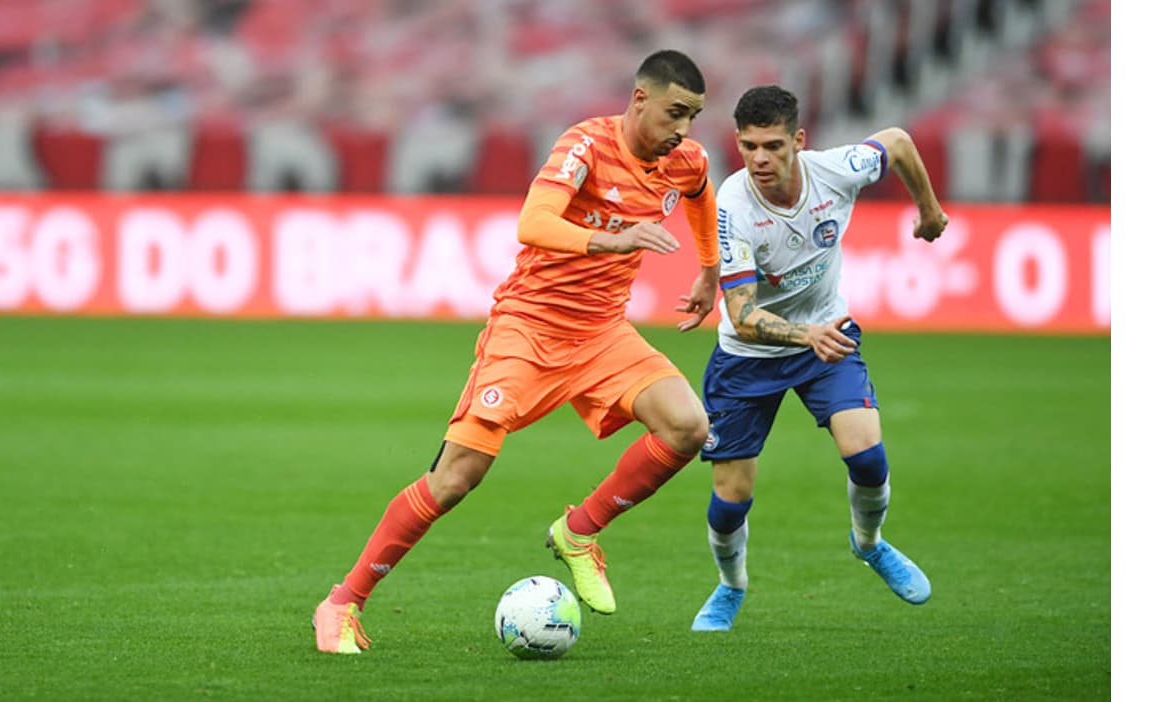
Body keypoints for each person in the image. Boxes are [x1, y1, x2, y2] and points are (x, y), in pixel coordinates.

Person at [313, 50, 724, 654]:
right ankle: (341, 602)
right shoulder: (585, 144)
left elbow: (700, 194)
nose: (683, 129)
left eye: (692, 116)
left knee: (689, 427)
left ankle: (579, 532)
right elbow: (533, 222)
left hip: (603, 334)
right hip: (527, 330)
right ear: (639, 100)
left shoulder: (685, 159)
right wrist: (614, 240)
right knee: (457, 479)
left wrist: (710, 272)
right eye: (674, 113)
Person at [690, 85, 949, 633]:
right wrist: (805, 335)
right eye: (749, 146)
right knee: (731, 497)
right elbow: (740, 314)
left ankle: (869, 543)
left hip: (826, 334)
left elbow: (898, 142)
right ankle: (730, 585)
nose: (760, 159)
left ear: (799, 142)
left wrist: (928, 208)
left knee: (868, 457)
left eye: (773, 146)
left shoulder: (836, 171)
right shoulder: (732, 209)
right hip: (748, 357)